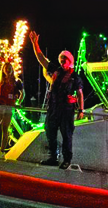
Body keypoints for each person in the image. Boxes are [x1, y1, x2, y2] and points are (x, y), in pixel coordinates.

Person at [29, 30, 84, 169]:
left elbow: (80, 94)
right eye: (61, 59)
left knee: (67, 136)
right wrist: (35, 44)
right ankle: (53, 157)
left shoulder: (75, 77)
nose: (63, 61)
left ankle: (67, 160)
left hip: (66, 110)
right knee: (49, 131)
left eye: (65, 59)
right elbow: (41, 59)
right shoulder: (55, 70)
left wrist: (81, 110)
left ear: (70, 61)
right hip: (53, 108)